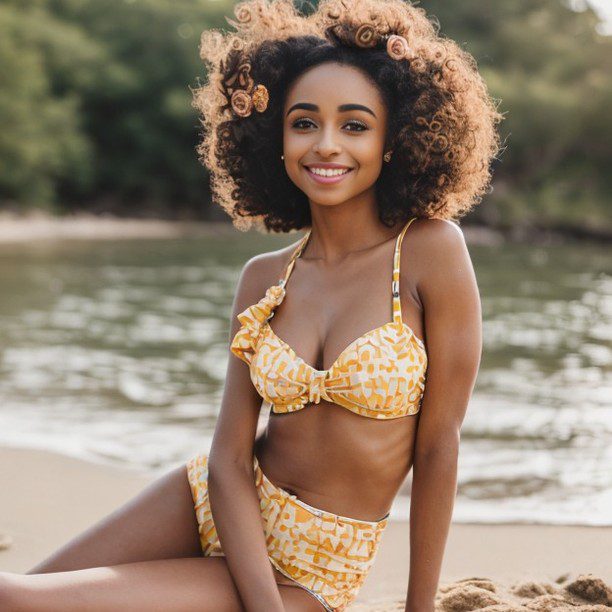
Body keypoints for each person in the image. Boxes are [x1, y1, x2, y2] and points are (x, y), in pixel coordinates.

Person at [0, 0, 502, 610]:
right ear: (276, 140)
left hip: (314, 567)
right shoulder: (264, 277)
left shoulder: (429, 251)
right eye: (303, 123)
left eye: (354, 125)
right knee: (20, 596)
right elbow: (229, 458)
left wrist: (419, 608)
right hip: (210, 504)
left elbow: (438, 445)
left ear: (393, 140)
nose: (325, 145)